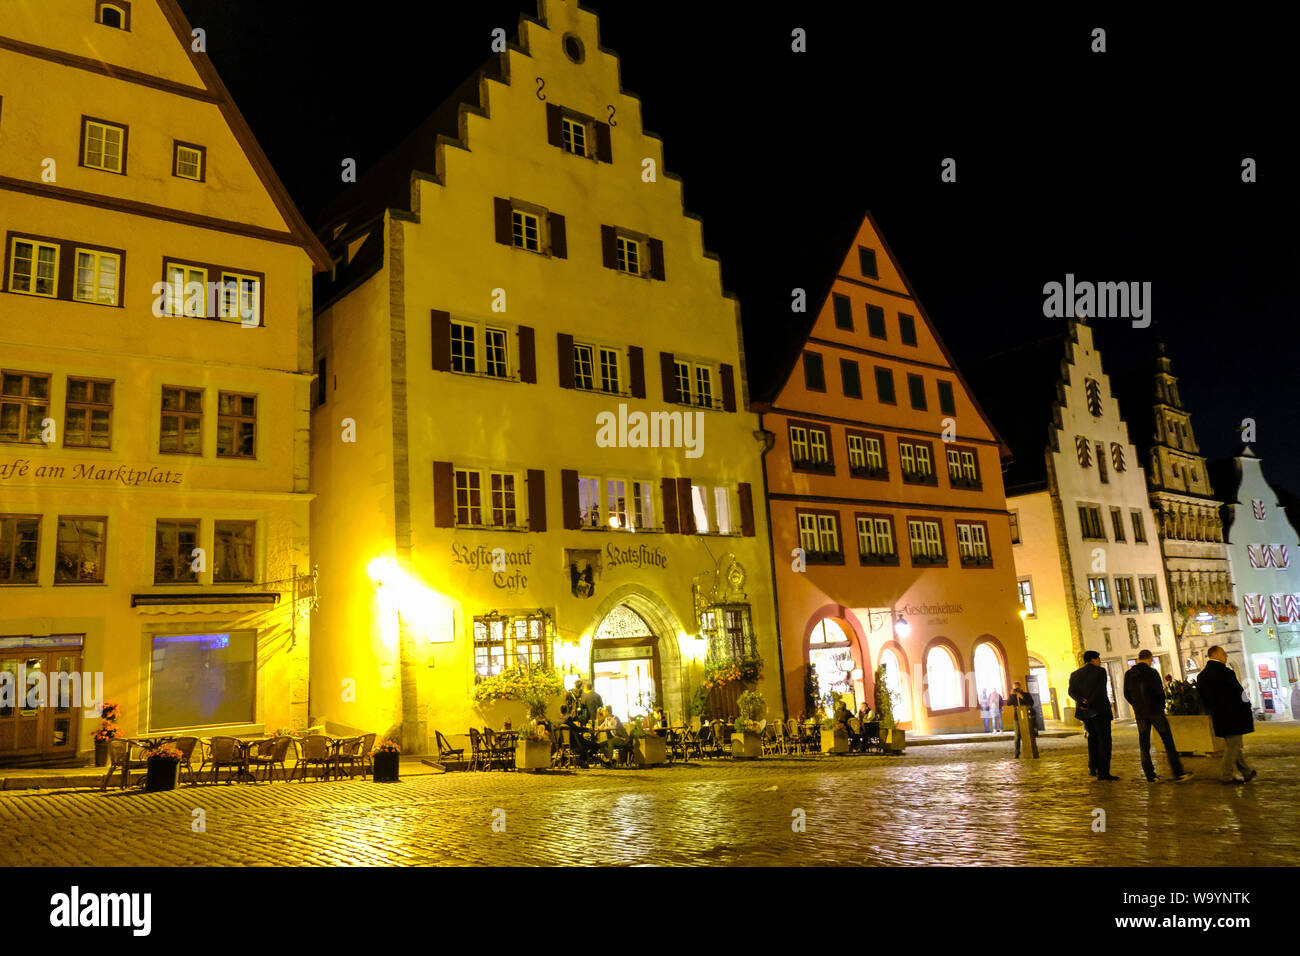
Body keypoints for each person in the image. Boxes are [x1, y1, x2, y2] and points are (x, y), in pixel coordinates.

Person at [1123, 649, 1192, 783]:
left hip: (1141, 713)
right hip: (1155, 711)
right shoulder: (1152, 672)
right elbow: (1159, 692)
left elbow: (1126, 694)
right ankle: (1178, 772)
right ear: (1149, 659)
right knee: (1168, 742)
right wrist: (1160, 706)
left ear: (1139, 659)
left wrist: (1136, 705)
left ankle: (1150, 775)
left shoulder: (1129, 674)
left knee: (1144, 744)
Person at [1195, 645, 1257, 784]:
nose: (1226, 655)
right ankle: (1226, 775)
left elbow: (1203, 698)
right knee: (1233, 746)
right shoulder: (1226, 672)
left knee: (1232, 744)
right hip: (1233, 714)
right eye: (1223, 653)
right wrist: (1247, 704)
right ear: (1216, 655)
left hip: (1219, 715)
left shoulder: (1202, 676)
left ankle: (1245, 772)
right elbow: (1239, 691)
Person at [1069, 650, 1118, 780]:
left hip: (1085, 711)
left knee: (1092, 739)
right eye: (1098, 659)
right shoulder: (1100, 672)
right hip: (1100, 710)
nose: (1100, 661)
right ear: (1093, 659)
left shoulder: (1075, 674)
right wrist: (1089, 701)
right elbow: (1100, 690)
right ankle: (1103, 772)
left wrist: (1082, 701)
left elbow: (1071, 692)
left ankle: (1093, 767)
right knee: (1105, 741)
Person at [1007, 681, 1039, 758]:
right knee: (1017, 736)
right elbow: (1008, 703)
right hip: (1017, 718)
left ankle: (1030, 750)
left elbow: (1031, 703)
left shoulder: (1026, 694)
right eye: (1015, 688)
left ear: (1021, 687)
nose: (1017, 690)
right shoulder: (1012, 696)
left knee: (1028, 734)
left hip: (1026, 718)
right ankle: (1017, 752)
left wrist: (1022, 697)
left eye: (1018, 688)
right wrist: (1011, 694)